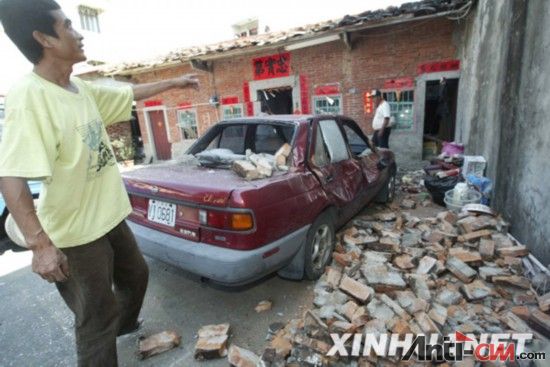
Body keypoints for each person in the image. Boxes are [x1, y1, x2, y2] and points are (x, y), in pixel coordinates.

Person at [0, 1, 200, 366]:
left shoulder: (78, 89)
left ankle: (121, 328)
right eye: (67, 26)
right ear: (43, 38)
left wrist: (175, 81)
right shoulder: (29, 97)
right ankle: (105, 337)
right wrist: (40, 245)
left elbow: (126, 93)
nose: (77, 33)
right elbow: (11, 175)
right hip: (75, 234)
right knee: (95, 319)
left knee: (136, 275)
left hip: (108, 218)